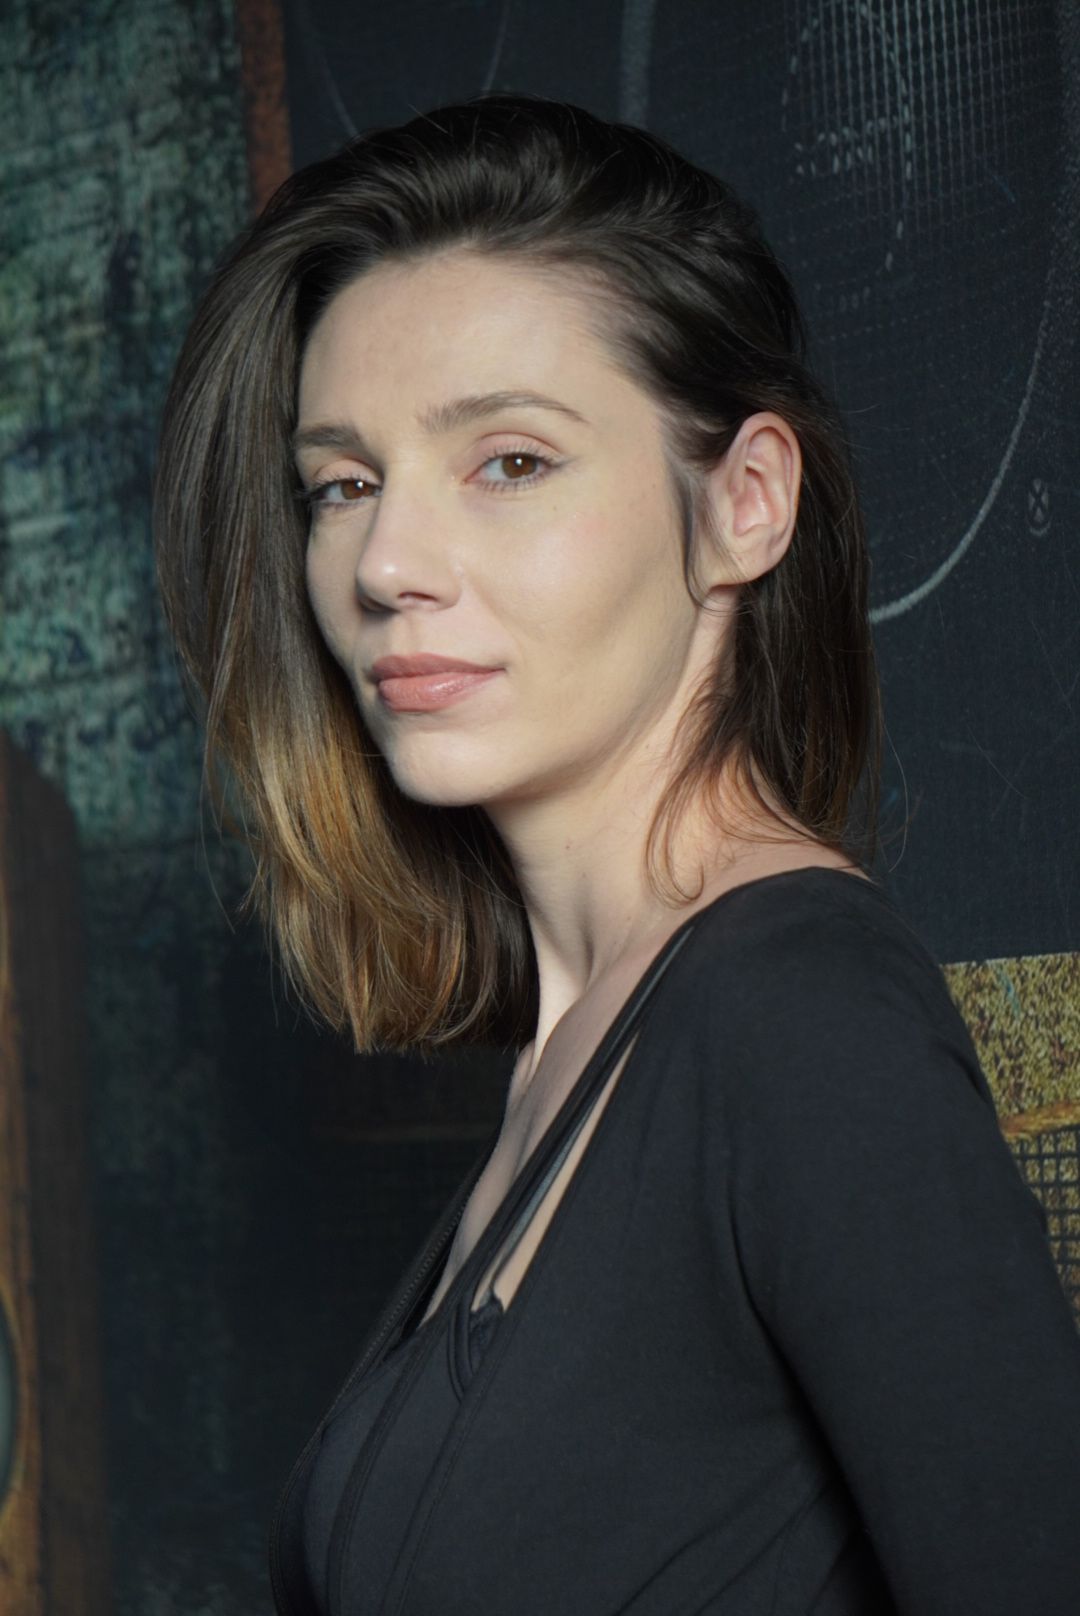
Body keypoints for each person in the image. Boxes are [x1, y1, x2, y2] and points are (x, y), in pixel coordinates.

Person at [153, 93, 1080, 1616]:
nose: (387, 564)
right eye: (343, 484)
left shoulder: (801, 1020)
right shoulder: (576, 1045)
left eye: (510, 462)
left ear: (744, 505)